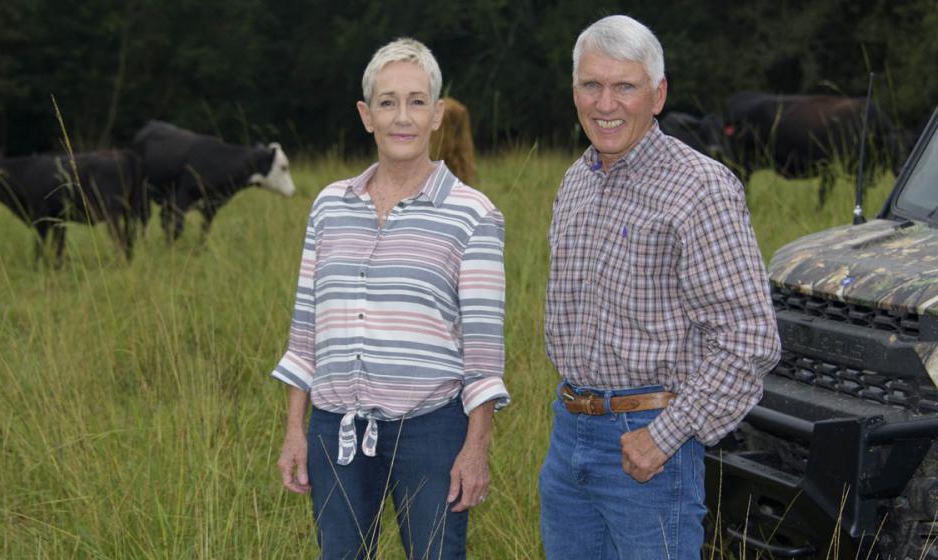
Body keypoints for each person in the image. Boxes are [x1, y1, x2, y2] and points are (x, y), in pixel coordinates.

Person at [539, 15, 781, 560]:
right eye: (591, 85)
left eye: (625, 86)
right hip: (569, 435)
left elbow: (751, 338)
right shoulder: (576, 181)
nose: (606, 103)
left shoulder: (699, 189)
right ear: (574, 90)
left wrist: (666, 436)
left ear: (658, 94)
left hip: (649, 446)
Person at [272, 37, 509, 560]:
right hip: (335, 429)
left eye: (417, 101)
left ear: (437, 115)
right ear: (366, 115)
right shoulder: (330, 205)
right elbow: (305, 328)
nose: (402, 116)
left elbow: (484, 354)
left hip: (431, 432)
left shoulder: (474, 214)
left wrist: (476, 447)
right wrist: (296, 429)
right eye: (387, 102)